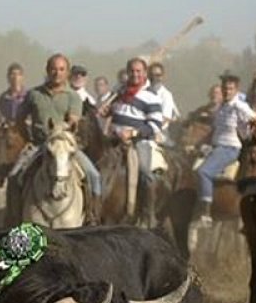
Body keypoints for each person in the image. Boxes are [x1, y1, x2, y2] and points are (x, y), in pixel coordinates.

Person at [12, 54, 102, 204]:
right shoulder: (34, 94)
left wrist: (59, 135)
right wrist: (28, 138)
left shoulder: (73, 96)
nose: (57, 73)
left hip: (65, 147)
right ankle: (13, 217)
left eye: (61, 69)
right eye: (53, 69)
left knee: (94, 176)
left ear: (67, 73)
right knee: (14, 176)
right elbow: (20, 119)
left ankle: (93, 215)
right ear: (47, 70)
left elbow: (73, 121)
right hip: (38, 145)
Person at [194, 73, 256, 227]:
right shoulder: (222, 107)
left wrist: (252, 129)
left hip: (230, 149)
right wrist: (199, 144)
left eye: (230, 89)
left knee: (203, 172)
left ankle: (205, 214)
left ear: (236, 90)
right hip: (215, 147)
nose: (226, 91)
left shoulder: (239, 106)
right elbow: (214, 131)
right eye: (225, 88)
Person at [101, 57, 165, 221]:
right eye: (132, 71)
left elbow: (156, 124)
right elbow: (113, 112)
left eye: (138, 71)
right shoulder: (120, 91)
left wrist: (133, 133)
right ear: (127, 73)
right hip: (114, 140)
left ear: (144, 73)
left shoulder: (151, 96)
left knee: (145, 173)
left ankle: (147, 214)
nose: (135, 75)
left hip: (138, 143)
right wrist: (106, 111)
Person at [147, 62, 180, 128]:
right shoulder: (143, 92)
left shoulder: (165, 95)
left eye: (158, 75)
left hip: (159, 133)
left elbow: (164, 119)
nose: (154, 78)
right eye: (151, 75)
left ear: (163, 76)